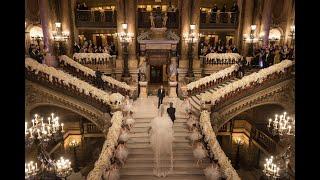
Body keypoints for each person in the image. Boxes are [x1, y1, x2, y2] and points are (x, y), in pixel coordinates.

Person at [148, 104, 174, 177]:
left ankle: (160, 170)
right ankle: (162, 170)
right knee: (163, 153)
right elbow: (170, 129)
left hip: (160, 137)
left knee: (161, 152)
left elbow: (153, 129)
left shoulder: (156, 119)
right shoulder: (167, 119)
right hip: (163, 137)